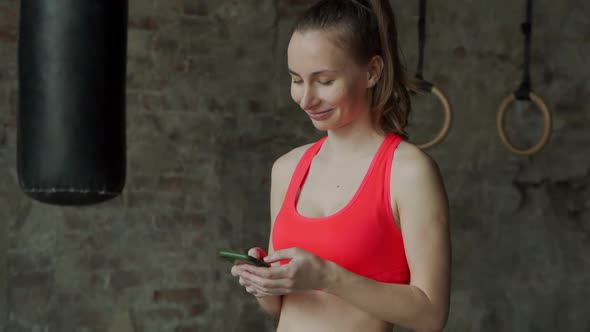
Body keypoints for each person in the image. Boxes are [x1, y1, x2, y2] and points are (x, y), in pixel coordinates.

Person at [230, 0, 451, 331]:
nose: (306, 99)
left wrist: (327, 276)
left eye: (324, 80)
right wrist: (264, 282)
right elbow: (280, 307)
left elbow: (431, 315)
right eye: (296, 79)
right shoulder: (287, 169)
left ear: (371, 71)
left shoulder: (408, 172)